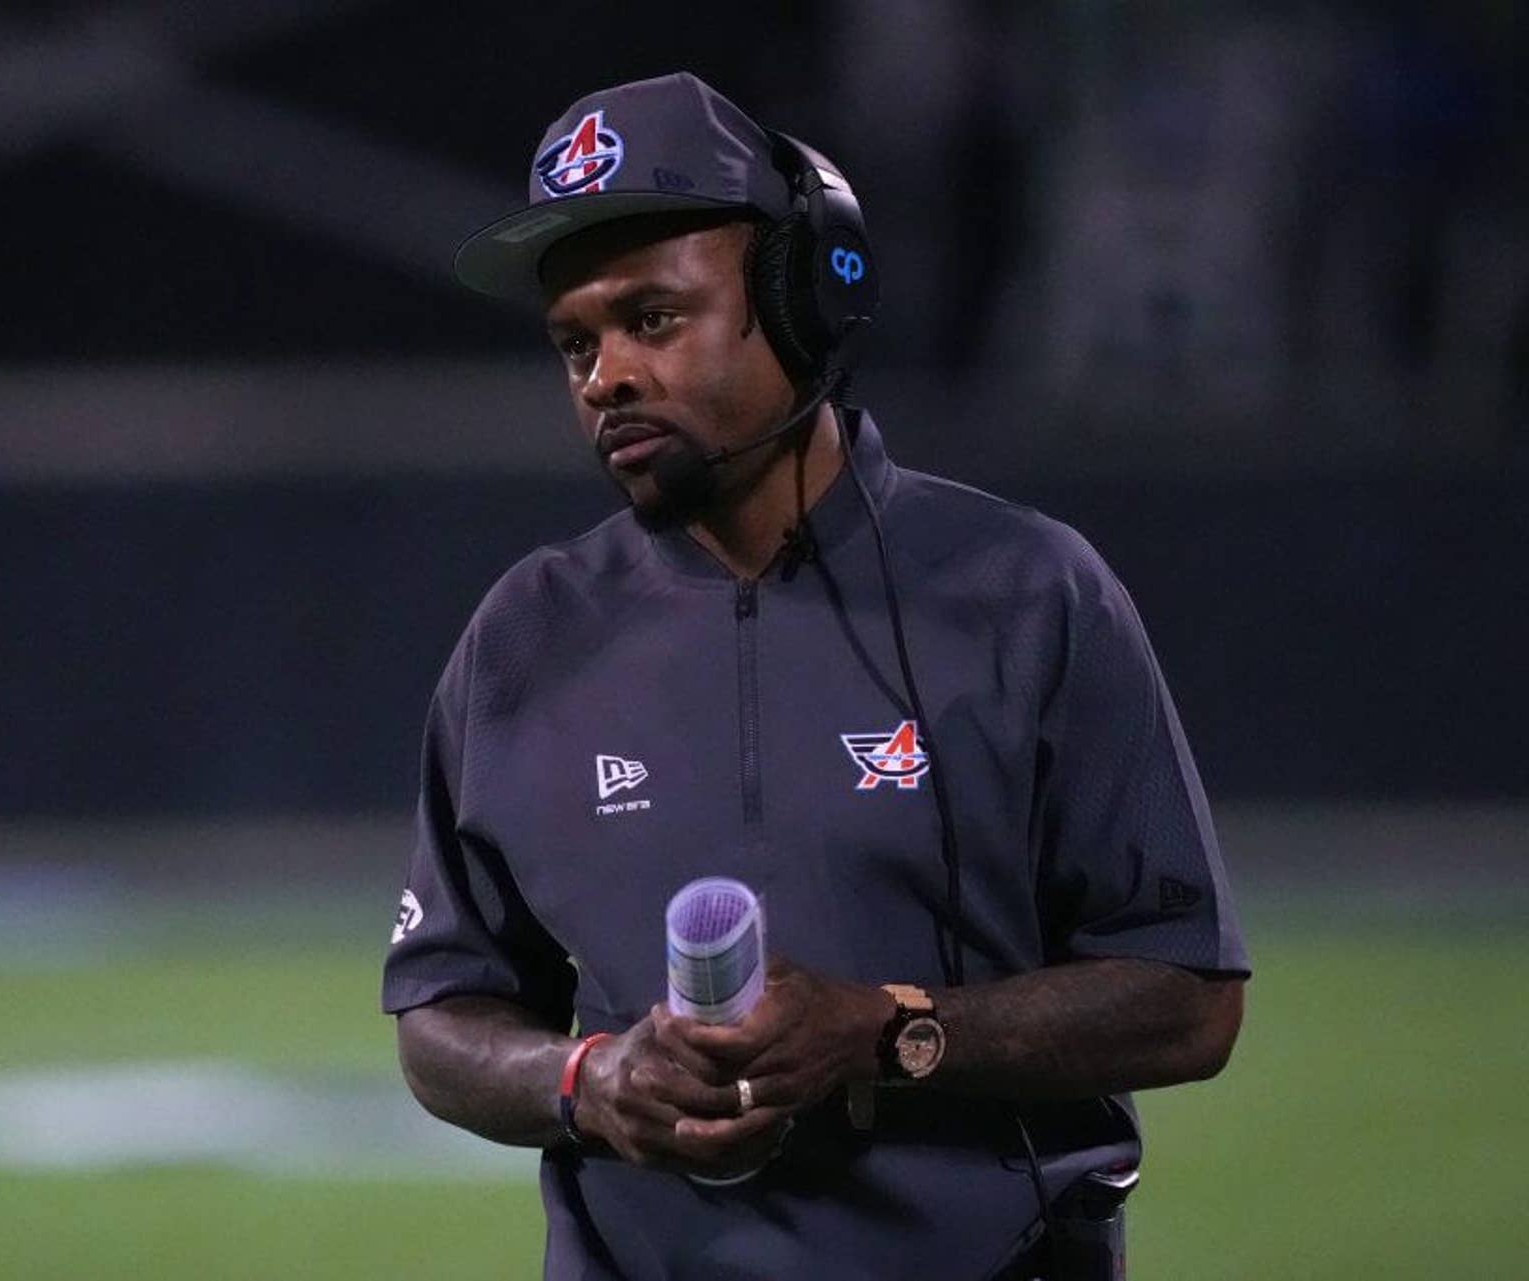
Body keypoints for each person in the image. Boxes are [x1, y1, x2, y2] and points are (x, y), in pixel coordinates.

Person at [380, 72, 1248, 1281]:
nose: (604, 376)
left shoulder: (1029, 592)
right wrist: (588, 1078)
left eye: (653, 319)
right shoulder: (523, 636)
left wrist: (890, 1031)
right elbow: (444, 1014)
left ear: (801, 301)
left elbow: (1188, 999)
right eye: (575, 342)